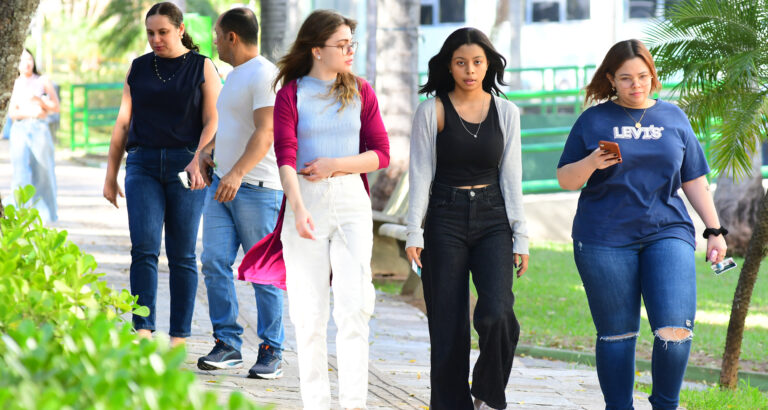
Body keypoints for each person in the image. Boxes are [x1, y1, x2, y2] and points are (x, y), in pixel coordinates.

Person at [556, 39, 727, 409]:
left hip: (667, 230)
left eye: (644, 76)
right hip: (603, 237)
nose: (637, 85)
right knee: (617, 335)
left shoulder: (673, 117)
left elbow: (693, 178)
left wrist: (714, 230)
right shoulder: (594, 119)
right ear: (611, 80)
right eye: (626, 78)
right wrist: (590, 163)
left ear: (653, 75)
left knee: (675, 331)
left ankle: (664, 405)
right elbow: (566, 179)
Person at [238, 9, 389, 409]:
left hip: (351, 203)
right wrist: (299, 207)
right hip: (304, 202)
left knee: (355, 306)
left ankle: (354, 404)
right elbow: (285, 156)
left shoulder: (362, 91)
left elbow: (380, 155)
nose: (349, 51)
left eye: (351, 43)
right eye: (342, 45)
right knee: (309, 315)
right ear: (317, 49)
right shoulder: (291, 94)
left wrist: (335, 164)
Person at [405, 28, 529, 410]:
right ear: (449, 66)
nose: (470, 70)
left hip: (494, 219)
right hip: (444, 218)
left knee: (497, 312)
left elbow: (512, 177)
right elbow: (420, 173)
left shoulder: (506, 112)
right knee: (447, 324)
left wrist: (520, 236)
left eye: (477, 62)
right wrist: (414, 231)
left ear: (488, 64)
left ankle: (488, 394)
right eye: (461, 63)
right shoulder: (432, 110)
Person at [102, 1, 221, 347]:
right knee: (144, 249)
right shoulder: (138, 68)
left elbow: (214, 120)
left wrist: (199, 158)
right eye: (151, 33)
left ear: (180, 29)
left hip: (188, 166)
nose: (156, 39)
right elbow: (124, 121)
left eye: (163, 32)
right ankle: (143, 330)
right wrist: (111, 174)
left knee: (183, 254)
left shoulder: (203, 67)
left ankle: (179, 337)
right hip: (142, 166)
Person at [194, 7, 286, 380]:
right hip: (223, 185)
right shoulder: (234, 76)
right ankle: (228, 343)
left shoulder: (265, 75)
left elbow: (266, 132)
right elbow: (234, 125)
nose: (214, 41)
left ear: (232, 36)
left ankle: (272, 350)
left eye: (217, 34)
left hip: (256, 189)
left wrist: (236, 172)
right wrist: (207, 151)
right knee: (214, 261)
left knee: (263, 272)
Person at [8, 48, 60, 223]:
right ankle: (18, 214)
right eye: (23, 60)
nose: (27, 63)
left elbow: (55, 107)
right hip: (20, 129)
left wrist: (39, 102)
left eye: (29, 59)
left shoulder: (43, 80)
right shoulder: (14, 83)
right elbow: (12, 113)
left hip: (39, 129)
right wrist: (32, 111)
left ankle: (45, 216)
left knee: (44, 172)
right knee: (20, 173)